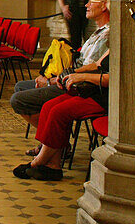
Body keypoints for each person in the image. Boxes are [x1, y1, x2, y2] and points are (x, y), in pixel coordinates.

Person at [10, 0, 110, 155]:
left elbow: (95, 69)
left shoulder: (108, 35)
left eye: (92, 1)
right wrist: (56, 76)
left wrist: (54, 80)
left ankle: (56, 145)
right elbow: (83, 63)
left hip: (81, 86)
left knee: (19, 100)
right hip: (71, 78)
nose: (86, 5)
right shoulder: (98, 31)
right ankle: (51, 144)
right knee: (21, 87)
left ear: (104, 7)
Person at [13, 51, 110, 180]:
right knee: (48, 107)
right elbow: (97, 65)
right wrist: (72, 73)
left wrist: (82, 77)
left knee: (59, 112)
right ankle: (54, 165)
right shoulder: (117, 42)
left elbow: (114, 79)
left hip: (106, 97)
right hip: (91, 89)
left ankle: (38, 162)